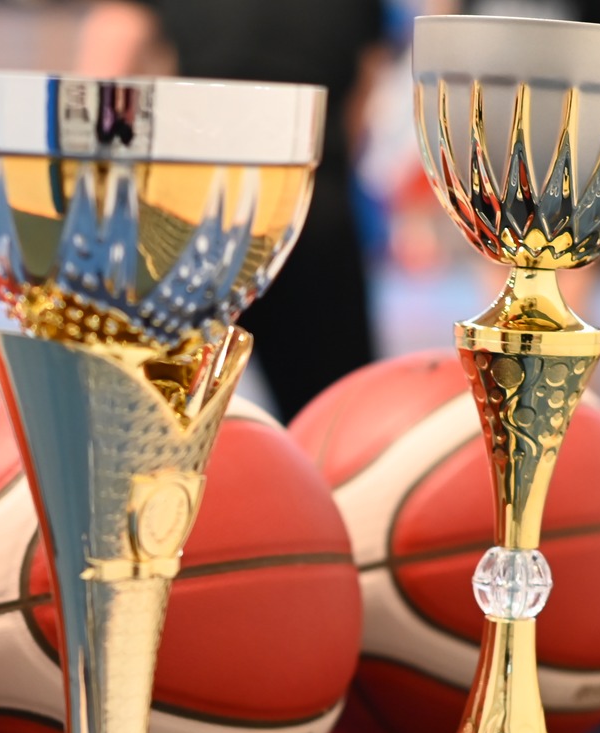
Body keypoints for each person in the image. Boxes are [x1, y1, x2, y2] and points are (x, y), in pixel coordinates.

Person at [76, 1, 394, 420]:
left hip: (197, 206)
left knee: (161, 419)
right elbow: (363, 98)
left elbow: (111, 59)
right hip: (309, 201)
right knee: (333, 421)